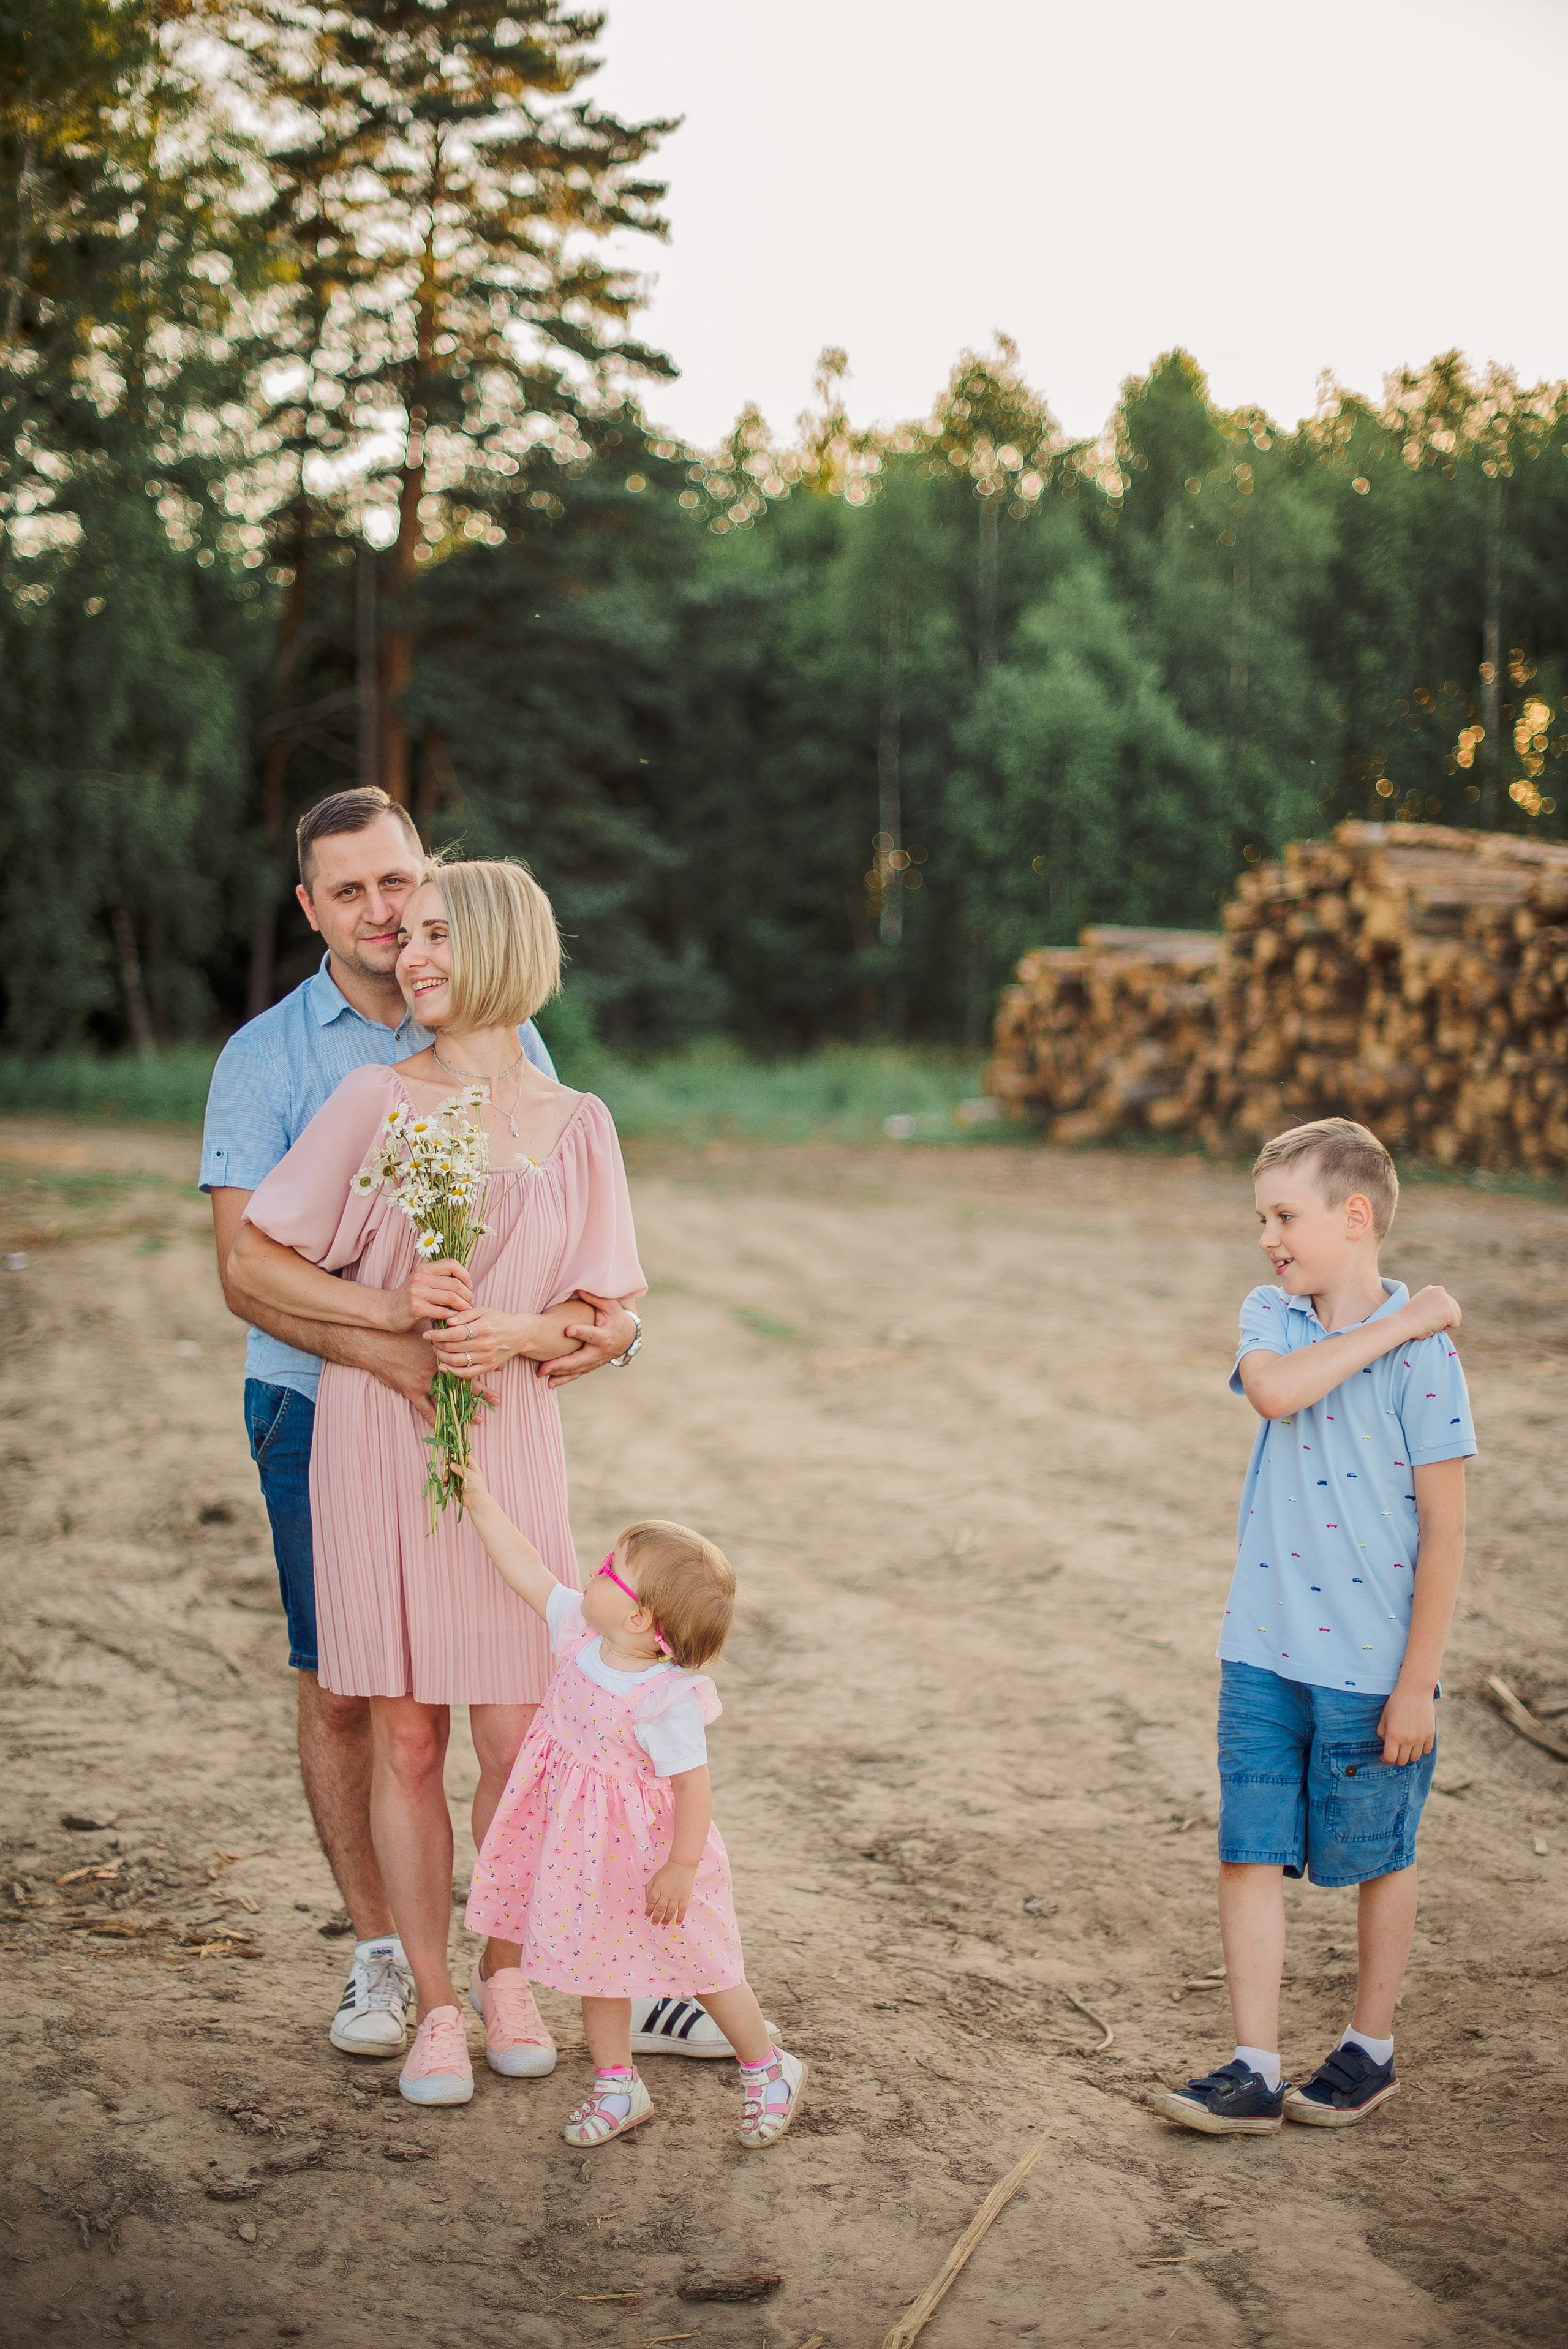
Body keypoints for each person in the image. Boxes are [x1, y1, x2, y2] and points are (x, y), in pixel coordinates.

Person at [205, 798, 725, 2070]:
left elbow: (609, 1315)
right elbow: (251, 1257)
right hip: (359, 1435)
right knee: (393, 1723)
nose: (403, 941)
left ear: (491, 946)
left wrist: (523, 1336)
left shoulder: (573, 1113)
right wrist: (394, 1318)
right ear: (314, 909)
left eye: (430, 921)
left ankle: (512, 1976)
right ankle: (419, 1991)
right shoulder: (347, 1087)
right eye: (379, 912)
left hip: (512, 1446)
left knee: (520, 1733)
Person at [1157, 1118, 1474, 2136]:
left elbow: (1446, 1533)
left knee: (1378, 1851)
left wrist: (1418, 1680)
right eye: (1261, 1218)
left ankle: (1368, 2049)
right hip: (1261, 1650)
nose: (1267, 1238)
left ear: (1355, 1216)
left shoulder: (1431, 1370)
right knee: (1247, 1849)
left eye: (1284, 1215)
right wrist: (1402, 1319)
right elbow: (1277, 1393)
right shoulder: (1276, 1317)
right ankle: (1253, 2065)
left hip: (1371, 1666)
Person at [449, 1455, 804, 2145]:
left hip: (657, 1858)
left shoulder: (662, 1699)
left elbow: (691, 1784)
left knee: (706, 1963)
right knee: (597, 1962)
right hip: (585, 1852)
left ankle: (767, 2067)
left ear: (641, 1618)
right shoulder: (582, 1636)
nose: (595, 1569)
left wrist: (681, 1865)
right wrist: (480, 1498)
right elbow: (525, 1569)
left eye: (611, 1570)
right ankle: (618, 2083)